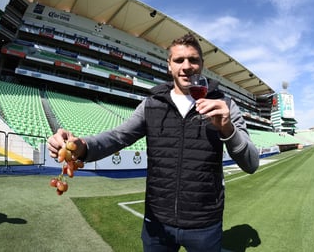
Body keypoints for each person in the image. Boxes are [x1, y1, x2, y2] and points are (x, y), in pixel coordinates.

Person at [47, 33, 260, 252]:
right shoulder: (151, 104)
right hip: (157, 223)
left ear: (202, 65)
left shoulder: (224, 104)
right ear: (169, 66)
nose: (187, 66)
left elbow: (251, 164)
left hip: (204, 224)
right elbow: (117, 137)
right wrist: (81, 146)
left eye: (193, 60)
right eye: (179, 60)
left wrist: (228, 129)